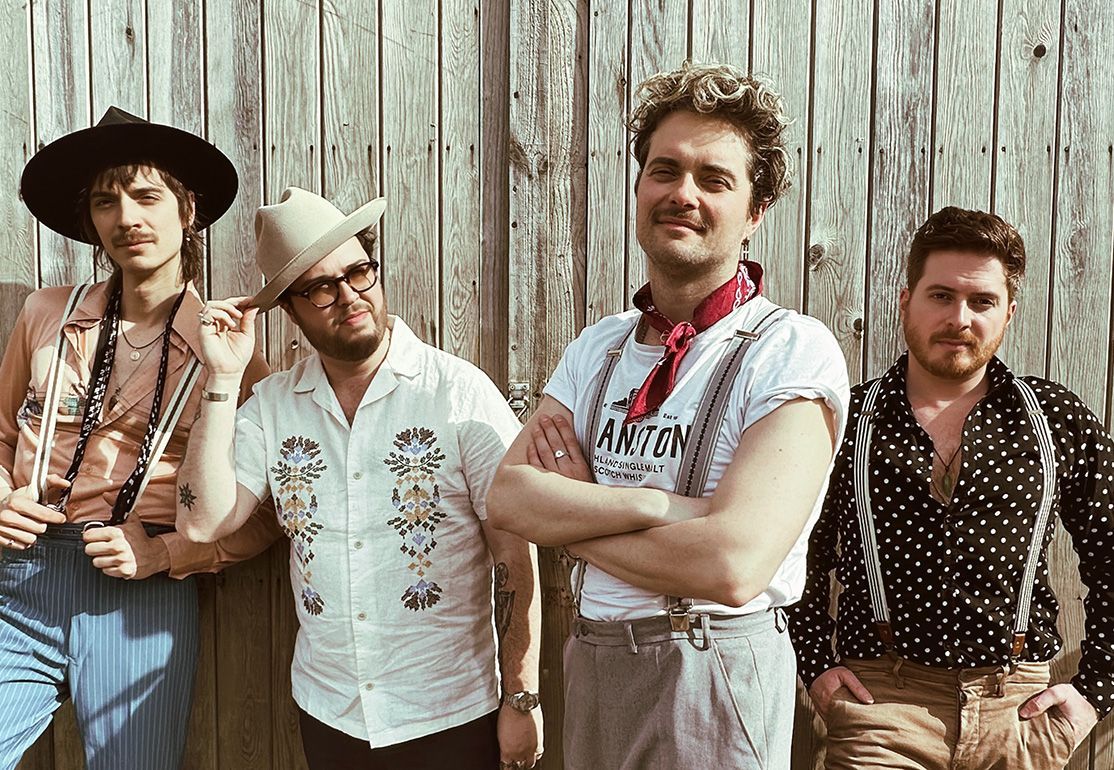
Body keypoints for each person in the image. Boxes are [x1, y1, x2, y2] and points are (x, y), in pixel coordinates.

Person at [486, 62, 850, 769]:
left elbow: (733, 563)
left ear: (755, 212)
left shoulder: (791, 350)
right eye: (664, 170)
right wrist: (661, 505)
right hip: (591, 659)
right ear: (638, 187)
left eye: (714, 179)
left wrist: (573, 522)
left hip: (711, 667)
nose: (683, 193)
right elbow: (509, 498)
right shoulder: (600, 346)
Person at [175, 187, 544, 770]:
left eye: (359, 272)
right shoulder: (272, 406)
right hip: (332, 712)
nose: (348, 296)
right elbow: (203, 523)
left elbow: (514, 557)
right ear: (290, 311)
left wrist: (521, 697)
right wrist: (223, 376)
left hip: (451, 710)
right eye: (321, 287)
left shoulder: (457, 392)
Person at [0, 106, 279, 770]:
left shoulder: (229, 351)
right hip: (20, 580)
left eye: (146, 195)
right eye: (106, 200)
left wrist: (167, 557)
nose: (126, 216)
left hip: (141, 593)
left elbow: (269, 512)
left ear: (189, 211)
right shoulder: (45, 315)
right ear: (91, 221)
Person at [789, 206, 1114, 770]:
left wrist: (1094, 692)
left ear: (1008, 313)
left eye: (981, 302)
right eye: (940, 296)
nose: (960, 318)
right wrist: (816, 666)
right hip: (881, 705)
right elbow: (797, 554)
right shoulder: (845, 420)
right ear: (905, 300)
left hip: (1021, 711)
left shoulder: (1053, 417)